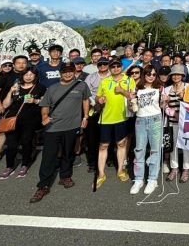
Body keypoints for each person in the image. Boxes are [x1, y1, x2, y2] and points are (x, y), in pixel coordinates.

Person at [30, 64, 89, 202]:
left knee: (68, 153)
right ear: (60, 73)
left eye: (70, 72)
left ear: (75, 72)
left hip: (72, 125)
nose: (68, 74)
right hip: (53, 127)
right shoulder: (52, 88)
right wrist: (45, 117)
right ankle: (43, 185)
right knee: (48, 156)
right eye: (65, 72)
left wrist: (85, 117)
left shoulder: (81, 86)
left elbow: (85, 100)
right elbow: (45, 105)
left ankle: (65, 176)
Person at [95, 58, 136, 188]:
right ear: (110, 68)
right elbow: (97, 96)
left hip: (123, 118)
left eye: (118, 66)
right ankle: (101, 173)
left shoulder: (129, 80)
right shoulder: (104, 81)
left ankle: (120, 170)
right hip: (106, 118)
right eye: (113, 67)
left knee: (121, 144)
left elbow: (133, 97)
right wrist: (99, 100)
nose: (116, 68)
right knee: (103, 145)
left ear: (121, 67)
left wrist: (122, 91)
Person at [0, 66, 45, 179]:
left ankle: (25, 164)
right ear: (22, 76)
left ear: (35, 76)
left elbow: (45, 102)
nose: (28, 77)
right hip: (13, 119)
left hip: (30, 120)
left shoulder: (40, 87)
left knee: (26, 142)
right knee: (11, 144)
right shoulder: (16, 87)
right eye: (26, 75)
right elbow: (5, 105)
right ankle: (9, 166)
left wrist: (35, 100)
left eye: (31, 75)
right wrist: (10, 92)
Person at [131, 65, 162, 195]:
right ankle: (138, 179)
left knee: (155, 149)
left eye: (154, 74)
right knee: (139, 149)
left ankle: (152, 179)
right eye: (149, 74)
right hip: (140, 120)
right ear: (144, 75)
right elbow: (132, 106)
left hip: (155, 119)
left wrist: (165, 101)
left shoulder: (160, 88)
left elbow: (163, 106)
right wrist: (131, 101)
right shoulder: (137, 88)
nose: (151, 76)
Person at [164, 64, 189, 182]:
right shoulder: (167, 89)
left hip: (186, 122)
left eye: (178, 74)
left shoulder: (188, 87)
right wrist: (167, 107)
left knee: (186, 145)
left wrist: (185, 97)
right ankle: (174, 168)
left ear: (182, 76)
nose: (176, 77)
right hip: (172, 121)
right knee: (173, 145)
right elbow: (163, 106)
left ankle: (186, 169)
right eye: (173, 74)